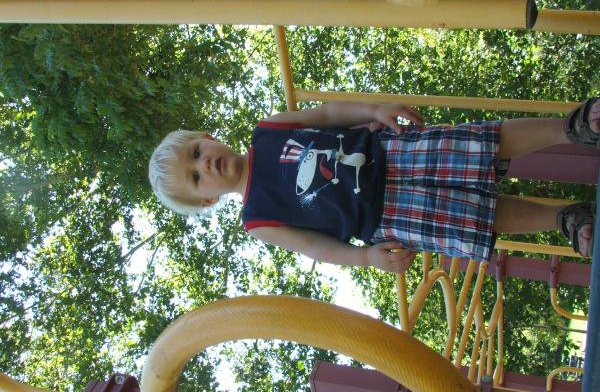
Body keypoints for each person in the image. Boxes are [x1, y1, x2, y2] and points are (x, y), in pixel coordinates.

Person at [148, 98, 599, 274]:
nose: (204, 163)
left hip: (388, 151)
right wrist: (365, 257)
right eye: (195, 176)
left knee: (482, 143)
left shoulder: (266, 131)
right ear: (206, 198)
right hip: (385, 217)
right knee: (477, 219)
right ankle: (562, 218)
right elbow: (316, 247)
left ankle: (572, 127)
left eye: (195, 152)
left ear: (207, 138)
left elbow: (325, 116)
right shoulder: (258, 219)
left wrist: (375, 109)